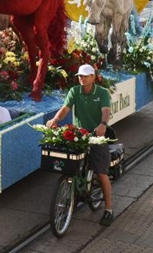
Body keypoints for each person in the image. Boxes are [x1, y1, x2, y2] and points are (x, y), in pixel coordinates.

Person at [46, 64, 114, 226]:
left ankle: (109, 209)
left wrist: (103, 124)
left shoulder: (102, 93)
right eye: (79, 76)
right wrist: (55, 120)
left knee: (102, 173)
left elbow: (106, 111)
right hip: (80, 134)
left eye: (85, 76)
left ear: (93, 77)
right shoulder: (75, 91)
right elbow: (65, 108)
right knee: (70, 161)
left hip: (97, 135)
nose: (81, 79)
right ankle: (73, 189)